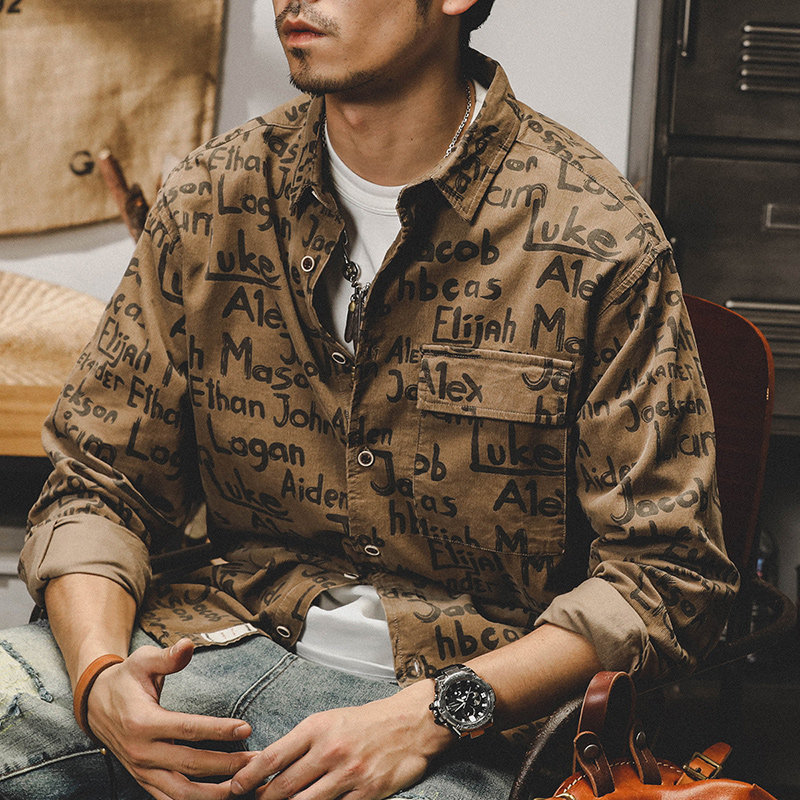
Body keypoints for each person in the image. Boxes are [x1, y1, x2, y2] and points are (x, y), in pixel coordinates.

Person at [0, 1, 738, 799]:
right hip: (200, 643)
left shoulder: (599, 238)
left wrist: (435, 714)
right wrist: (100, 678)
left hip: (459, 715)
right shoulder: (210, 197)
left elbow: (667, 577)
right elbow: (99, 486)